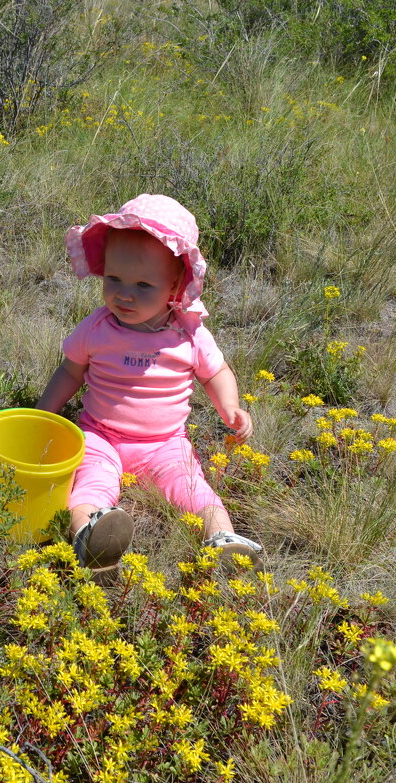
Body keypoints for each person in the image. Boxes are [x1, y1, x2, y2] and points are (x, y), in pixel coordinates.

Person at [36, 194, 263, 581]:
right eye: (114, 279)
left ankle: (222, 538)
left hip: (164, 443)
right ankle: (91, 533)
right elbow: (70, 373)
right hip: (100, 434)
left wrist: (231, 407)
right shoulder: (97, 327)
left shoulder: (188, 333)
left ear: (175, 283)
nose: (124, 294)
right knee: (89, 484)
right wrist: (43, 415)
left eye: (143, 284)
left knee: (194, 490)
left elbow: (216, 372)